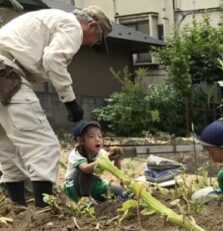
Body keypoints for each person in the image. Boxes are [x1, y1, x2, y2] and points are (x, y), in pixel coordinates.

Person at [0, 6, 112, 208]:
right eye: (95, 39)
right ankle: (44, 213)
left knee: (8, 146)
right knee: (45, 146)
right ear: (91, 25)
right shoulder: (72, 25)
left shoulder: (49, 18)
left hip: (4, 69)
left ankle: (17, 210)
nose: (90, 44)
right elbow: (53, 59)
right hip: (6, 73)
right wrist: (70, 102)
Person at [62, 120, 129, 203]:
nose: (97, 139)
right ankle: (85, 200)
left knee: (118, 190)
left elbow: (117, 171)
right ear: (80, 141)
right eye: (91, 136)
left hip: (94, 184)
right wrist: (106, 158)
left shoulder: (102, 153)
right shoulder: (76, 154)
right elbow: (86, 169)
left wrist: (116, 158)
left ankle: (126, 198)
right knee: (83, 171)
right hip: (74, 189)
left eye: (100, 136)